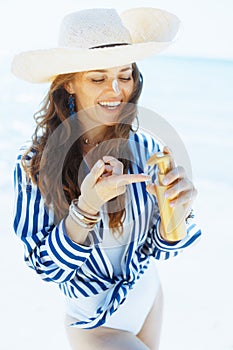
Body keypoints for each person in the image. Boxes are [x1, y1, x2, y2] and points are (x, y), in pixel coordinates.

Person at [12, 7, 201, 350]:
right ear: (69, 82)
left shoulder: (148, 148)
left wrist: (178, 212)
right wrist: (88, 205)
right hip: (95, 321)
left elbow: (160, 250)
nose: (115, 90)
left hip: (148, 295)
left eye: (125, 75)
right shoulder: (34, 165)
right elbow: (45, 268)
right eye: (97, 78)